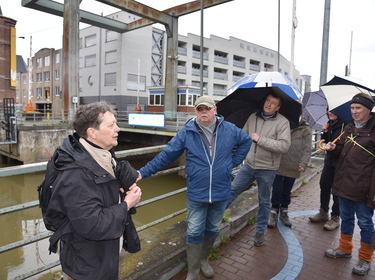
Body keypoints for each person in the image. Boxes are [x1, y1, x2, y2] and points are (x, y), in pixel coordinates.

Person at [138, 96, 251, 280]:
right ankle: (192, 270)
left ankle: (204, 260)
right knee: (194, 230)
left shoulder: (229, 129)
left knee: (213, 228)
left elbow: (246, 141)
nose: (204, 112)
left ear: (215, 109)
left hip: (221, 191)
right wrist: (142, 172)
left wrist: (231, 163)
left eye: (207, 108)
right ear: (195, 111)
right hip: (197, 192)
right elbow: (166, 155)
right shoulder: (187, 132)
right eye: (200, 109)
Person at [45, 101, 142, 280]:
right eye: (111, 125)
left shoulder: (101, 155)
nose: (118, 129)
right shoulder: (75, 173)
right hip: (87, 263)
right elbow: (93, 224)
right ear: (92, 133)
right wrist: (127, 204)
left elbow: (97, 195)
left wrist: (118, 189)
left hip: (102, 254)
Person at [227, 91, 291, 247]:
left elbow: (284, 146)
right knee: (231, 191)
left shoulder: (283, 122)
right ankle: (213, 218)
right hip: (249, 165)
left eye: (273, 103)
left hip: (268, 168)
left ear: (278, 107)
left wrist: (260, 139)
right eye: (267, 101)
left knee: (264, 202)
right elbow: (242, 135)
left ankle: (260, 232)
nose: (269, 104)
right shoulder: (253, 117)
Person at [324, 93, 375, 276]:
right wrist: (334, 149)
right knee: (345, 217)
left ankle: (365, 258)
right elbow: (342, 152)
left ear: (369, 109)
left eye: (358, 108)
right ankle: (345, 249)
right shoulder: (349, 128)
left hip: (363, 188)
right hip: (344, 183)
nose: (354, 111)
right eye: (352, 108)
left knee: (365, 222)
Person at [267, 114, 311, 228]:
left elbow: (307, 148)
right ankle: (273, 212)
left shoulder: (305, 128)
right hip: (278, 162)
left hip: (293, 164)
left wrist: (303, 163)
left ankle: (284, 211)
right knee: (276, 190)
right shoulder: (281, 122)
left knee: (287, 191)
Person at [309, 110, 345, 230]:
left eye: (334, 111)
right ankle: (323, 211)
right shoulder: (330, 124)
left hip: (340, 164)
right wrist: (325, 131)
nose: (330, 112)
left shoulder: (345, 126)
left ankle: (335, 217)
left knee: (336, 190)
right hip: (329, 162)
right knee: (324, 185)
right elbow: (326, 142)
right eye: (329, 110)